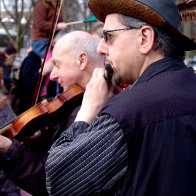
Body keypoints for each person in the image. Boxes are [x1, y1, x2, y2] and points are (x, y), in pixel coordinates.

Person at [45, 0, 196, 196]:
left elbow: (58, 182)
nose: (100, 48)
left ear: (144, 39)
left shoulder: (126, 113)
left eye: (109, 37)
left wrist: (87, 112)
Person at [0, 31, 104, 196]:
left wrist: (8, 150)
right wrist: (39, 138)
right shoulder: (76, 104)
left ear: (82, 60)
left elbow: (54, 182)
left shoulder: (92, 112)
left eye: (58, 64)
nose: (53, 75)